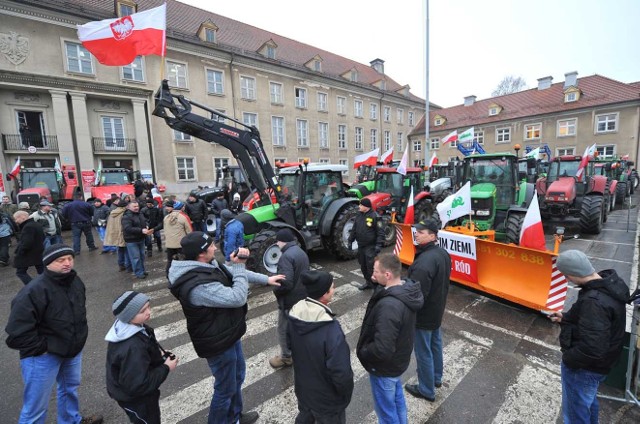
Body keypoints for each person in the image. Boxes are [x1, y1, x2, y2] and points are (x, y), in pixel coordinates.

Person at [167, 231, 283, 424]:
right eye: (211, 245)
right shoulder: (196, 285)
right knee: (225, 388)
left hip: (227, 332)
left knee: (237, 375)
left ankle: (235, 416)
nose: (215, 247)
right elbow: (237, 298)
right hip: (217, 342)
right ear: (201, 253)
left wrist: (266, 279)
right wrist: (238, 265)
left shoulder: (204, 264)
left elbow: (231, 272)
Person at [5, 244, 103, 424]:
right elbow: (16, 333)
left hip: (72, 350)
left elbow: (79, 312)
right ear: (48, 263)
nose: (67, 263)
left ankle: (71, 420)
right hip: (42, 356)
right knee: (36, 406)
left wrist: (78, 338)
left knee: (69, 389)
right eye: (60, 260)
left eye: (70, 259)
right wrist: (43, 348)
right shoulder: (33, 290)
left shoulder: (75, 281)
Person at [549, 250, 628, 424]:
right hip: (600, 366)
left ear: (571, 274)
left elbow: (592, 348)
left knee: (575, 413)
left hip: (584, 369)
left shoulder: (593, 301)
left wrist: (568, 360)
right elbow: (597, 325)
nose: (567, 279)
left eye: (566, 276)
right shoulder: (608, 285)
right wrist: (566, 318)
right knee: (587, 402)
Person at [357, 253, 424, 424]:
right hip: (398, 362)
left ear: (387, 275)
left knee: (386, 412)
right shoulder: (405, 290)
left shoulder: (389, 306)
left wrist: (364, 352)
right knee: (396, 399)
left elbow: (382, 348)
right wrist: (376, 278)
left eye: (375, 271)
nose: (373, 274)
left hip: (384, 368)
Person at [288, 270, 354, 423]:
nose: (334, 289)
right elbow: (341, 373)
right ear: (324, 294)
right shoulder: (331, 330)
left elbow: (290, 345)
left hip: (304, 391)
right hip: (327, 401)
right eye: (332, 287)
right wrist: (344, 397)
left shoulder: (293, 315)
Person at [106, 291, 178, 424]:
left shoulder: (134, 327)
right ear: (128, 316)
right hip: (137, 400)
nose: (148, 312)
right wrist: (166, 367)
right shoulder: (133, 347)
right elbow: (139, 385)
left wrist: (158, 355)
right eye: (142, 311)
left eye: (148, 307)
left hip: (133, 393)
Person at [404, 219, 451, 402]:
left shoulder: (425, 261)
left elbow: (416, 294)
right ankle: (436, 378)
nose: (416, 233)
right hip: (437, 309)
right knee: (435, 345)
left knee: (423, 351)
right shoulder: (442, 253)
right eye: (417, 230)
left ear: (432, 235)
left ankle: (426, 389)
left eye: (421, 232)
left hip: (424, 314)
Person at [269, 228, 309, 369]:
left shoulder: (285, 257)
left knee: (283, 329)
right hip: (301, 297)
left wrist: (276, 291)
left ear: (281, 241)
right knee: (298, 327)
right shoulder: (300, 252)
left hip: (289, 300)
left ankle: (286, 357)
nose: (277, 244)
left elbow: (286, 282)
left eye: (277, 242)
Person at [348, 198, 385, 290]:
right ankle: (368, 283)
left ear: (366, 207)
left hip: (370, 247)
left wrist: (378, 245)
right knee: (363, 266)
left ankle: (376, 286)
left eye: (361, 205)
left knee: (371, 267)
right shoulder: (359, 215)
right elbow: (354, 229)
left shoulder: (375, 216)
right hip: (361, 246)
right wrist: (350, 240)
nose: (359, 207)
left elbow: (381, 232)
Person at [12, 210, 45, 284]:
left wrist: (20, 252)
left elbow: (27, 243)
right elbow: (43, 237)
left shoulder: (28, 227)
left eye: (16, 218)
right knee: (41, 271)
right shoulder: (36, 224)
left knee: (20, 272)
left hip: (28, 253)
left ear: (22, 217)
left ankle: (32, 287)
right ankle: (47, 284)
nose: (15, 221)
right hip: (38, 252)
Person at [122, 201, 151, 279]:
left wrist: (147, 226)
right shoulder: (126, 216)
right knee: (135, 258)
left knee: (141, 256)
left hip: (141, 238)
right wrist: (141, 230)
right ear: (129, 207)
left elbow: (144, 222)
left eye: (137, 206)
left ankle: (142, 270)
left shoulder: (140, 214)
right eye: (134, 206)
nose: (136, 208)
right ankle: (138, 272)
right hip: (131, 240)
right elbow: (127, 228)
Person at [162, 200, 192, 276]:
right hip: (180, 244)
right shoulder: (184, 217)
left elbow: (165, 230)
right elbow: (190, 231)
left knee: (170, 261)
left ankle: (168, 274)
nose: (184, 207)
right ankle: (184, 275)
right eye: (183, 206)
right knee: (183, 260)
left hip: (169, 244)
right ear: (180, 208)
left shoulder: (166, 217)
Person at [104, 197, 131, 272]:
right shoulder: (124, 213)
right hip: (123, 235)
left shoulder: (113, 213)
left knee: (120, 251)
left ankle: (121, 265)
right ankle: (128, 267)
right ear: (125, 206)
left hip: (116, 236)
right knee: (126, 251)